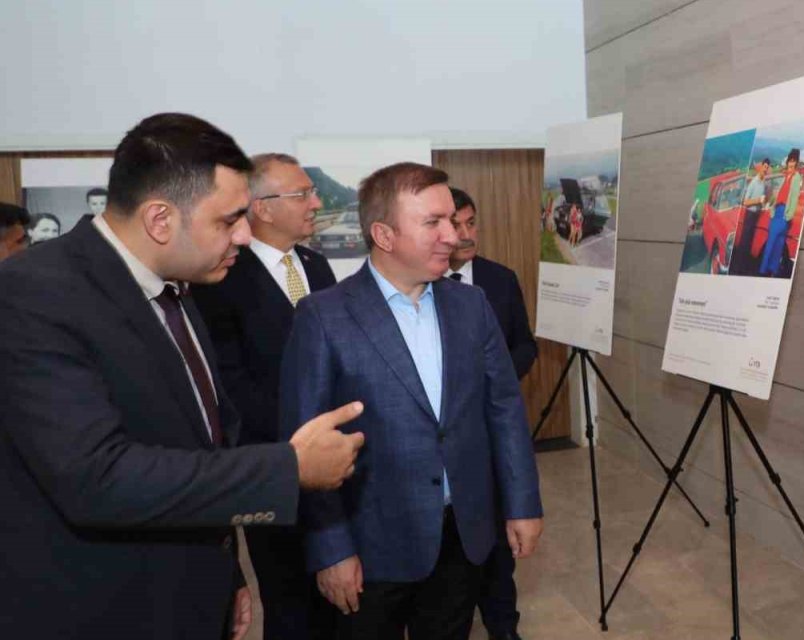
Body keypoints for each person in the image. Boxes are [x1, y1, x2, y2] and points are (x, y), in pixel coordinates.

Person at [0, 112, 366, 640]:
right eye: (227, 220)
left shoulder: (178, 286)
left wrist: (228, 571)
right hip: (105, 608)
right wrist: (290, 467)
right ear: (160, 220)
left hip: (192, 589)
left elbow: (201, 441)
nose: (244, 235)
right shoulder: (35, 294)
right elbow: (95, 478)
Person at [279, 162, 544, 640]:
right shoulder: (323, 316)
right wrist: (332, 549)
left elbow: (504, 410)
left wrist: (522, 504)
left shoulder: (473, 305)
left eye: (453, 220)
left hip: (462, 536)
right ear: (384, 234)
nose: (453, 236)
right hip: (371, 546)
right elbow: (306, 445)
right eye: (433, 223)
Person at [191, 153, 338, 640]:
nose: (316, 202)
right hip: (270, 462)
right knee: (290, 599)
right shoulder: (222, 276)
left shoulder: (317, 267)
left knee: (340, 594)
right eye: (302, 194)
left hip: (336, 461)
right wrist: (297, 447)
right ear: (263, 208)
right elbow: (228, 384)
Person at [445, 187, 538, 640]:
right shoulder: (424, 283)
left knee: (497, 550)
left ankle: (505, 628)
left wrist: (497, 379)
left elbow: (526, 344)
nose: (465, 235)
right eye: (455, 224)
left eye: (471, 223)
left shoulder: (500, 279)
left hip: (493, 431)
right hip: (448, 439)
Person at [759, 148, 802, 277]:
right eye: (790, 160)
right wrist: (771, 207)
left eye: (794, 161)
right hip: (777, 211)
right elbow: (778, 195)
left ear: (796, 163)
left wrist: (787, 216)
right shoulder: (785, 175)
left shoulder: (796, 177)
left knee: (774, 243)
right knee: (776, 243)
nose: (791, 163)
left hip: (783, 214)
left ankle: (765, 270)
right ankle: (771, 270)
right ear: (788, 161)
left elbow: (794, 197)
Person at [731, 157, 771, 275]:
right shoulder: (754, 182)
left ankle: (744, 268)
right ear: (761, 167)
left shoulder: (764, 183)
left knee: (749, 242)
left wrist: (765, 201)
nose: (766, 169)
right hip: (750, 215)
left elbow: (762, 200)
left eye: (767, 168)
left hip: (757, 214)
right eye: (764, 167)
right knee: (744, 243)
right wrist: (759, 200)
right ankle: (738, 269)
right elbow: (745, 201)